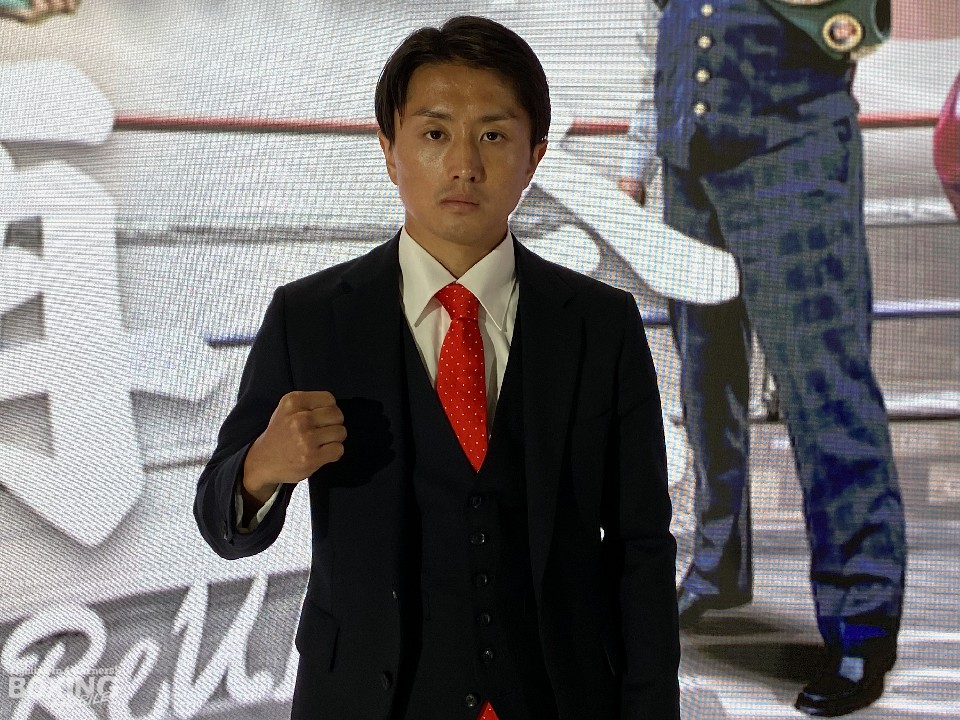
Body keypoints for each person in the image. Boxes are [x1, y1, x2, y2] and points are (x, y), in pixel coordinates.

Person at [195, 16, 680, 720]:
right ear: (389, 150)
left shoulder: (601, 325)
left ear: (534, 157)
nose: (463, 165)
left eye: (493, 136)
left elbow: (642, 548)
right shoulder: (311, 317)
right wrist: (260, 468)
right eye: (434, 133)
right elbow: (220, 521)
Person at [651, 0, 906, 717]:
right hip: (687, 155)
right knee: (705, 382)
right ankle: (717, 569)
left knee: (825, 394)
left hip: (791, 151)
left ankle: (862, 624)